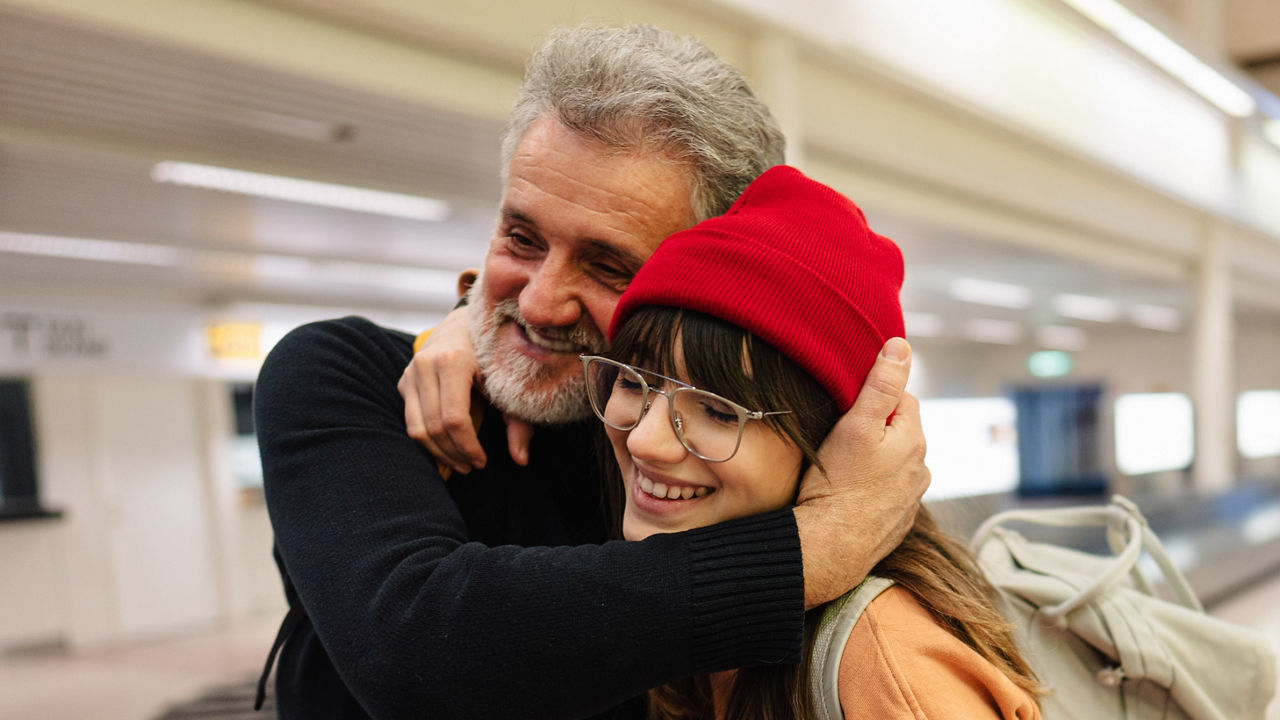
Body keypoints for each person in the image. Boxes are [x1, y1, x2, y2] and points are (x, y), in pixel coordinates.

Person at [256, 24, 929, 720]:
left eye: (608, 266)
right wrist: (817, 546)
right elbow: (415, 651)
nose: (541, 302)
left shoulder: (679, 457)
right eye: (521, 237)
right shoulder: (341, 374)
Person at [588, 164, 1041, 719]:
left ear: (838, 445)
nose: (647, 442)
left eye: (716, 410)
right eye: (634, 381)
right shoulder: (710, 614)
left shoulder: (883, 663)